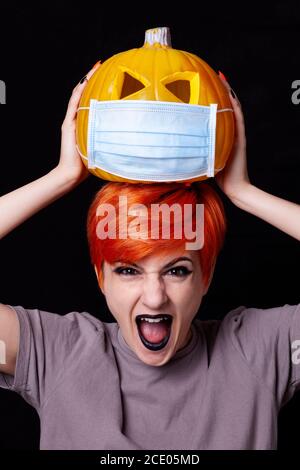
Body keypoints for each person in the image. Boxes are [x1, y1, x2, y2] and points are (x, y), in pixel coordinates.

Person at [0, 63, 299, 450]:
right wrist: (60, 177)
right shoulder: (56, 354)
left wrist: (245, 193)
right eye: (128, 270)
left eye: (176, 270)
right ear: (100, 277)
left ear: (206, 275)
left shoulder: (262, 351)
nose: (155, 296)